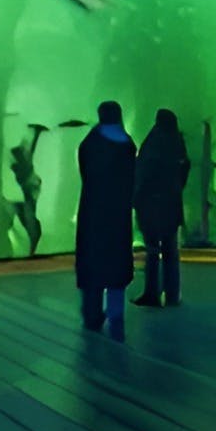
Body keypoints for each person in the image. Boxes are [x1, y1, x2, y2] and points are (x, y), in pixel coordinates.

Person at [75, 101, 136, 336]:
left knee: (92, 262)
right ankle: (116, 313)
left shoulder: (91, 143)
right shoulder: (128, 144)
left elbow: (85, 172)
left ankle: (92, 315)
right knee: (117, 263)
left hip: (93, 212)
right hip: (119, 214)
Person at [132, 109, 190, 308]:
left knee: (152, 250)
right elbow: (184, 169)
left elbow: (144, 172)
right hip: (172, 204)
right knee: (171, 250)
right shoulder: (177, 142)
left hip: (152, 204)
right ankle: (173, 294)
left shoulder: (154, 142)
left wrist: (137, 198)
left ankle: (152, 293)